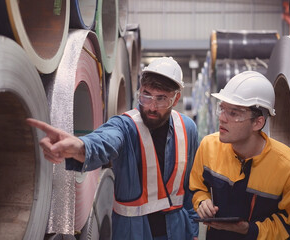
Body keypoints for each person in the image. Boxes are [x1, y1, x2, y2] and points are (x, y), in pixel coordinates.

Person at [27, 57, 199, 240]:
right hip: (134, 232)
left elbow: (190, 186)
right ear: (140, 91)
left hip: (178, 231)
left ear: (175, 99)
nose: (151, 106)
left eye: (161, 99)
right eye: (146, 95)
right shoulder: (125, 126)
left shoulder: (187, 128)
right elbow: (105, 140)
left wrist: (194, 232)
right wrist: (81, 147)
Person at [189, 71, 290, 239]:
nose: (222, 118)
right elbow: (197, 187)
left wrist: (249, 230)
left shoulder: (289, 168)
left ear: (257, 122)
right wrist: (202, 202)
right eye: (222, 109)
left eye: (234, 113)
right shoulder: (209, 146)